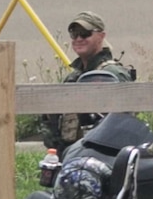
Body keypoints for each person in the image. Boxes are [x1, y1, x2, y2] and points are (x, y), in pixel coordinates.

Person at [41, 11, 134, 154]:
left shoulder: (113, 74)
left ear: (101, 36)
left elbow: (125, 122)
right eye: (74, 34)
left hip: (103, 156)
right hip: (70, 156)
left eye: (85, 34)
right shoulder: (73, 78)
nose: (78, 38)